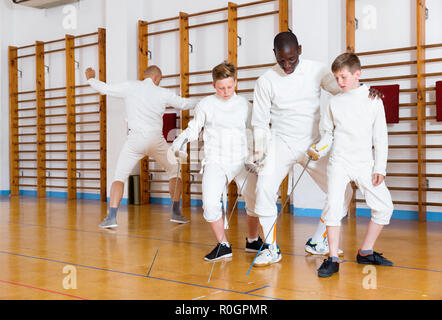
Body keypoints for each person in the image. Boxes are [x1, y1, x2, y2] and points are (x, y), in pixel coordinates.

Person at [250, 31, 382, 267]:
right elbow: (259, 123)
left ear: (299, 50)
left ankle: (316, 241)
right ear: (275, 55)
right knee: (263, 189)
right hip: (281, 142)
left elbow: (346, 89)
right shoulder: (265, 81)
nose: (287, 65)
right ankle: (270, 247)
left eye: (291, 59)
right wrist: (259, 152)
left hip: (315, 142)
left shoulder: (317, 70)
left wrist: (366, 91)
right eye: (281, 60)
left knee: (343, 193)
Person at [309, 52, 394, 278]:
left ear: (358, 74)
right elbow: (327, 135)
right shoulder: (333, 102)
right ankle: (333, 257)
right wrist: (318, 149)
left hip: (365, 163)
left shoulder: (373, 99)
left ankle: (365, 252)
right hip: (339, 162)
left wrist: (380, 168)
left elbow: (380, 137)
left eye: (344, 77)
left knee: (384, 206)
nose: (339, 83)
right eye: (336, 78)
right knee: (334, 207)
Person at [171, 61, 263, 261]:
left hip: (242, 160)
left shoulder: (245, 106)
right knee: (210, 204)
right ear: (214, 86)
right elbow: (193, 129)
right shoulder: (206, 105)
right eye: (221, 88)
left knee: (255, 200)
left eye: (230, 87)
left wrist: (258, 155)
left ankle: (253, 240)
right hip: (215, 160)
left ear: (236, 83)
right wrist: (178, 142)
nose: (226, 91)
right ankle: (223, 244)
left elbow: (254, 132)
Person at [85, 65, 198, 228]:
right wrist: (207, 101)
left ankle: (111, 217)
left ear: (145, 76)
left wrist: (91, 78)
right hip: (155, 139)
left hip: (134, 140)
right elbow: (184, 104)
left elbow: (104, 89)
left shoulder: (130, 86)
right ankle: (176, 212)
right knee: (174, 170)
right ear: (157, 78)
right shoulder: (163, 92)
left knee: (119, 176)